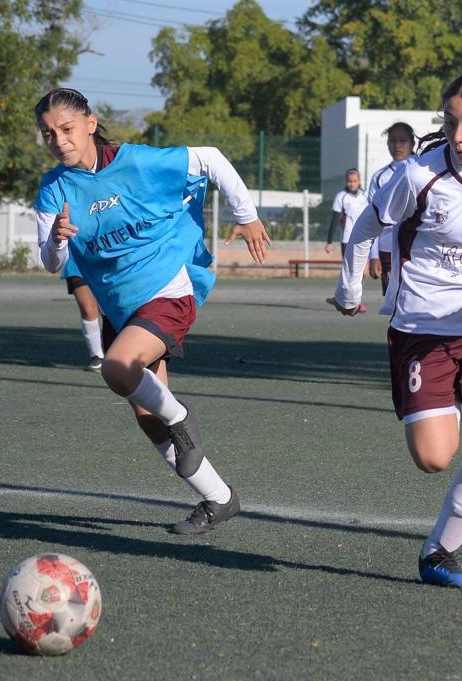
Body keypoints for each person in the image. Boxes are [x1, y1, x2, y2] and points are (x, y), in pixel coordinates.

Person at [328, 70, 462, 590]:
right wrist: (351, 291)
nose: (460, 136)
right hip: (422, 328)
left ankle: (441, 553)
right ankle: (440, 542)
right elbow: (365, 226)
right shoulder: (420, 174)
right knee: (433, 457)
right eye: (452, 123)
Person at [33, 87, 271, 534]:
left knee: (117, 369)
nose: (59, 140)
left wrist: (247, 213)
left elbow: (212, 158)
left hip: (167, 289)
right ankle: (218, 498)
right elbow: (53, 264)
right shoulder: (53, 190)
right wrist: (58, 239)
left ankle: (183, 417)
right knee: (147, 416)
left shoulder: (139, 162)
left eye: (66, 129)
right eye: (48, 134)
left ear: (89, 123)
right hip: (119, 309)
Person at [367, 123, 416, 297]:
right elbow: (371, 219)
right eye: (392, 141)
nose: (397, 145)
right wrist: (373, 255)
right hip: (388, 249)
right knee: (392, 302)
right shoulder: (380, 177)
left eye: (402, 140)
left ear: (412, 143)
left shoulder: (424, 170)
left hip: (419, 249)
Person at [61, 252, 105, 371]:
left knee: (108, 309)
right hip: (76, 262)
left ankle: (121, 350)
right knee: (88, 309)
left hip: (103, 256)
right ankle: (97, 356)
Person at [325, 169, 368, 258]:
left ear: (359, 181)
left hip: (364, 239)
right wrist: (329, 242)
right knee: (348, 270)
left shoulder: (366, 196)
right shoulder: (341, 196)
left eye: (355, 181)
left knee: (362, 269)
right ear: (346, 182)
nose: (352, 184)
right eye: (349, 181)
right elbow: (334, 221)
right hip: (347, 239)